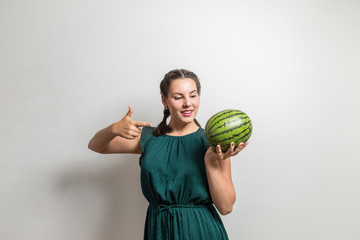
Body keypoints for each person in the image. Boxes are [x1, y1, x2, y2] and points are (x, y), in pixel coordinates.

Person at [88, 69, 248, 240]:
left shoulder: (214, 142)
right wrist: (113, 129)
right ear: (164, 100)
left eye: (193, 95)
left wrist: (210, 161)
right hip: (159, 229)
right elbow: (96, 146)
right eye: (178, 97)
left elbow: (226, 207)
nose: (188, 103)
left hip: (200, 230)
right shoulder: (149, 138)